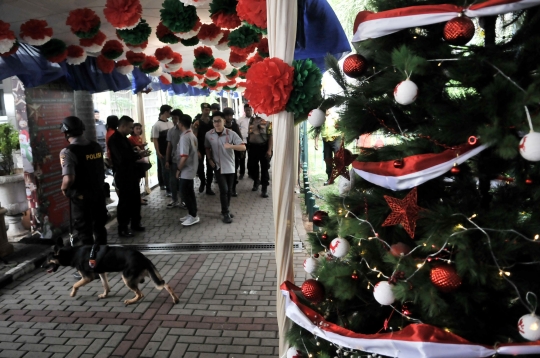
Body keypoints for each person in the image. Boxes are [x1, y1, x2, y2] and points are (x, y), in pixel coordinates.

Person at [59, 116, 107, 275]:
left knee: (84, 232)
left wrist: (64, 188)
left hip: (81, 198)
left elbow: (69, 178)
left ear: (66, 133)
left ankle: (88, 266)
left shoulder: (68, 151)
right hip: (99, 195)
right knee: (100, 228)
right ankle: (103, 259)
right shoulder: (95, 146)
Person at [108, 116, 151, 237]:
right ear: (123, 126)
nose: (132, 130)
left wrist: (139, 153)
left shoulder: (124, 139)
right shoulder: (115, 140)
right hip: (123, 175)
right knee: (125, 202)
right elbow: (122, 158)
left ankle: (135, 223)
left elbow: (130, 154)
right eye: (131, 127)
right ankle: (123, 228)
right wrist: (137, 155)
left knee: (135, 200)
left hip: (132, 173)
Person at [205, 111, 246, 223]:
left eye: (219, 120)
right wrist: (209, 159)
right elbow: (207, 147)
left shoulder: (231, 134)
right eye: (214, 121)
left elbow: (243, 147)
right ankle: (225, 212)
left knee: (229, 191)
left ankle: (226, 209)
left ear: (224, 121)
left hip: (230, 166)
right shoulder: (209, 134)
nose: (217, 123)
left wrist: (231, 146)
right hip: (218, 167)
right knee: (224, 190)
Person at [175, 114, 199, 226]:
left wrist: (178, 169)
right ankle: (192, 213)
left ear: (181, 124)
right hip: (191, 168)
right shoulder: (191, 134)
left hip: (186, 169)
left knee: (185, 193)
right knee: (189, 192)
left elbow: (184, 156)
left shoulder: (185, 137)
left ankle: (193, 216)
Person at [192, 103, 216, 195]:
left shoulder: (212, 121)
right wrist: (196, 150)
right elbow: (194, 137)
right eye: (206, 110)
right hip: (200, 147)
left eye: (209, 110)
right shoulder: (197, 122)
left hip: (210, 147)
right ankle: (203, 181)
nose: (207, 111)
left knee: (210, 167)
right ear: (202, 110)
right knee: (200, 167)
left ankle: (209, 187)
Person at [247, 114, 273, 198]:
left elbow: (270, 136)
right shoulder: (251, 121)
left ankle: (264, 189)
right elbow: (249, 134)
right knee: (253, 167)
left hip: (263, 147)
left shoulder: (268, 122)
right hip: (253, 147)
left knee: (264, 168)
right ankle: (256, 181)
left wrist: (269, 150)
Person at [314, 110, 341, 185]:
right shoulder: (320, 117)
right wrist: (316, 142)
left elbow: (342, 127)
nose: (327, 110)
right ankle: (330, 179)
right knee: (327, 159)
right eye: (326, 109)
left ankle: (343, 177)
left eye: (329, 108)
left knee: (338, 157)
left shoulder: (335, 116)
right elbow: (317, 130)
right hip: (326, 140)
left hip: (336, 139)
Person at [165, 109, 185, 208]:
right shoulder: (170, 131)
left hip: (184, 160)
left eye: (176, 118)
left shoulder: (186, 131)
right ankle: (174, 200)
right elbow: (169, 146)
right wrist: (167, 160)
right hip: (173, 160)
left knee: (184, 181)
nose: (174, 120)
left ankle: (184, 200)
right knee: (173, 181)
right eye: (172, 118)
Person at [151, 105, 173, 193]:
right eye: (169, 112)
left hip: (172, 151)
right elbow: (155, 139)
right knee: (165, 170)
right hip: (163, 151)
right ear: (165, 112)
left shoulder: (170, 123)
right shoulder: (156, 125)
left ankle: (174, 187)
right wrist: (158, 152)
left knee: (172, 169)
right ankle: (168, 188)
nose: (170, 114)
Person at [128, 123, 150, 205]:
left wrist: (142, 146)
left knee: (139, 180)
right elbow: (134, 149)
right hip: (135, 162)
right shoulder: (130, 139)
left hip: (140, 161)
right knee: (136, 181)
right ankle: (137, 198)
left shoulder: (139, 138)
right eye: (136, 128)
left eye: (139, 129)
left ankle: (138, 197)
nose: (138, 130)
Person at [223, 107, 243, 196]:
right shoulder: (221, 126)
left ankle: (232, 189)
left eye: (230, 115)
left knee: (233, 171)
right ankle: (226, 188)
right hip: (223, 153)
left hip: (234, 153)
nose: (229, 117)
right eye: (227, 115)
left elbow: (240, 138)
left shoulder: (234, 125)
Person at [236, 104, 252, 180]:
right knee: (242, 157)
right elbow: (237, 129)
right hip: (243, 141)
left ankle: (250, 172)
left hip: (252, 141)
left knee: (251, 157)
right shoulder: (240, 120)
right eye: (246, 110)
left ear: (251, 110)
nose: (248, 111)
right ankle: (241, 173)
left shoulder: (255, 120)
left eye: (249, 110)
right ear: (244, 110)